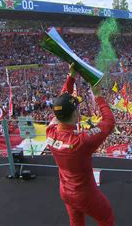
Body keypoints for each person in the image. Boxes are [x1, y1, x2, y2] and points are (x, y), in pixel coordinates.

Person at [46, 64, 116, 226]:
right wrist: (98, 96)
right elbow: (109, 122)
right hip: (85, 194)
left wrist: (71, 76)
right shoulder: (81, 141)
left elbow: (61, 101)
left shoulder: (50, 131)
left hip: (65, 191)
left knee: (76, 221)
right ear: (76, 113)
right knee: (106, 218)